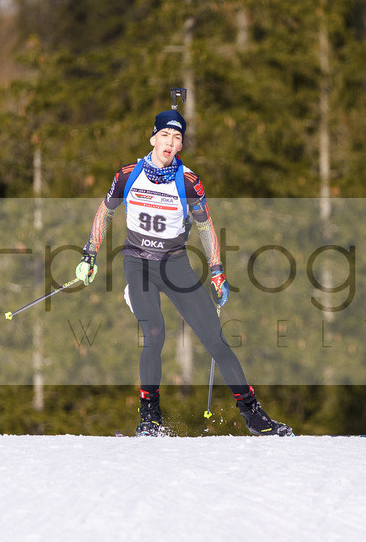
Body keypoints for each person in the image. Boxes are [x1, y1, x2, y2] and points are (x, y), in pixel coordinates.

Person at [76, 108, 293, 436]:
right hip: (138, 263)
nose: (170, 142)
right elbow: (105, 211)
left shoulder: (188, 180)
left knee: (215, 339)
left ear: (180, 145)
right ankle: (149, 419)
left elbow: (205, 226)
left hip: (175, 265)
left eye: (177, 137)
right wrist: (89, 253)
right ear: (153, 138)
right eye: (164, 135)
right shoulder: (128, 175)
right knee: (154, 334)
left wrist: (217, 270)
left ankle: (253, 415)